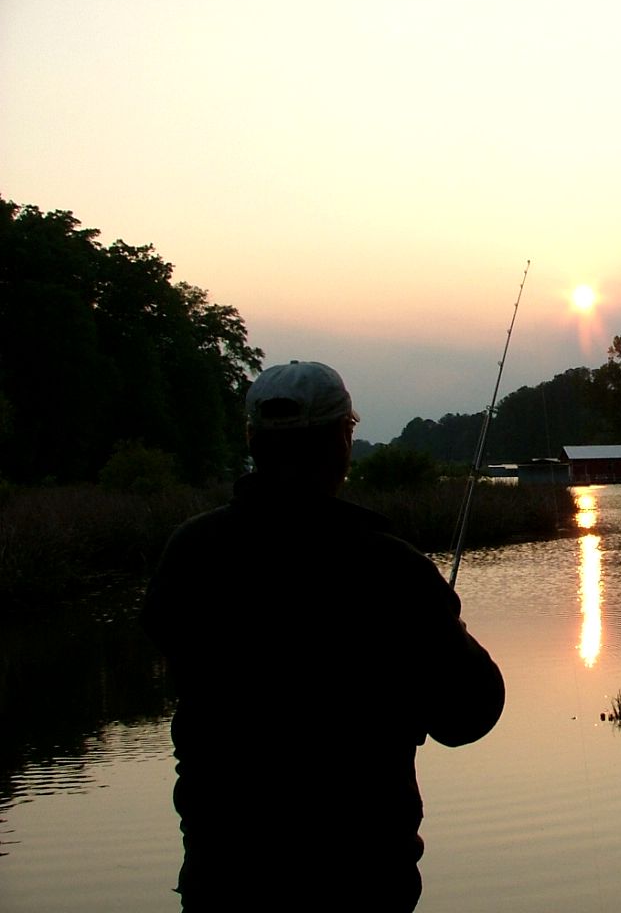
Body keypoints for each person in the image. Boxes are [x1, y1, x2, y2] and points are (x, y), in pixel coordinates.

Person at [142, 360, 504, 911]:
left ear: (253, 443)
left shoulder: (190, 552)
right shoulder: (391, 569)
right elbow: (468, 715)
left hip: (224, 876)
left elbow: (171, 652)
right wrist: (446, 629)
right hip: (361, 880)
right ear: (342, 442)